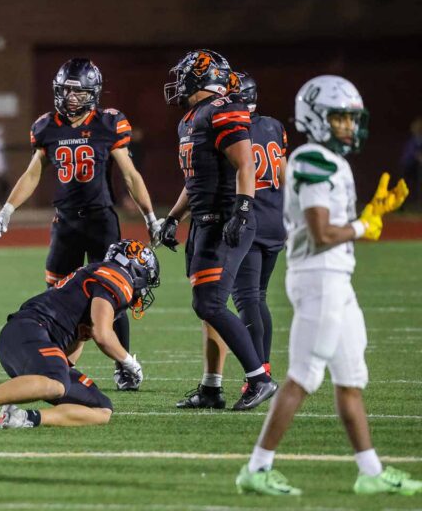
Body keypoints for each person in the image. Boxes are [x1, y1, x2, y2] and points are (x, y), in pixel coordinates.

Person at [235, 75, 419, 496]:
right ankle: (257, 468)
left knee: (351, 376)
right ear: (316, 119)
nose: (349, 127)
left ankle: (370, 472)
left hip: (338, 279)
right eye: (339, 119)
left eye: (351, 119)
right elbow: (321, 232)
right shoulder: (311, 159)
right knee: (302, 376)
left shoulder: (331, 162)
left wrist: (369, 214)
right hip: (319, 280)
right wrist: (362, 225)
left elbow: (336, 225)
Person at [0, 58, 160, 391]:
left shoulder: (108, 124)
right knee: (57, 293)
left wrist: (149, 215)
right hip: (65, 223)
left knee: (115, 293)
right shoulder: (46, 126)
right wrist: (9, 207)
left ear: (92, 93)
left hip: (101, 221)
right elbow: (33, 173)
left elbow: (129, 174)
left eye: (77, 91)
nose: (70, 97)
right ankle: (54, 359)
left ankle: (122, 364)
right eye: (66, 90)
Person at [158, 49, 276, 411]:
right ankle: (211, 388)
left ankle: (260, 378)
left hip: (224, 220)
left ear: (200, 77)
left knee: (209, 302)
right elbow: (195, 181)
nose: (178, 84)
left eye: (183, 76)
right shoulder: (191, 119)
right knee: (207, 306)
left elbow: (244, 164)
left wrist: (241, 211)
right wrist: (174, 217)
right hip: (203, 221)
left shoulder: (222, 109)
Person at [0, 240, 156, 431]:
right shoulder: (117, 277)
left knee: (101, 408)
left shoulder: (97, 274)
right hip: (30, 330)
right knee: (57, 382)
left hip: (28, 338)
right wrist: (129, 362)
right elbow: (103, 334)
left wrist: (64, 367)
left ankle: (23, 418)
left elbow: (79, 340)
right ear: (135, 269)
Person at [230, 72, 287, 390]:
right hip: (275, 219)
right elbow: (282, 171)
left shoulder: (230, 129)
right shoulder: (274, 126)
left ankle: (258, 375)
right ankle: (263, 366)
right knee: (258, 297)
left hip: (248, 218)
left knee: (246, 298)